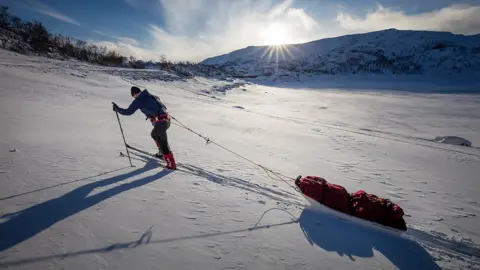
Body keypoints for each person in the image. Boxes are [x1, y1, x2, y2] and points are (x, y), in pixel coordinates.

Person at [112, 86, 176, 170]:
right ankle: (161, 153)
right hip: (166, 121)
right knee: (154, 134)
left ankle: (171, 164)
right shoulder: (152, 96)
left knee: (162, 142)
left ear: (134, 94)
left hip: (160, 123)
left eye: (133, 96)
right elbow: (163, 107)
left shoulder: (139, 100)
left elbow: (128, 112)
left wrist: (117, 109)